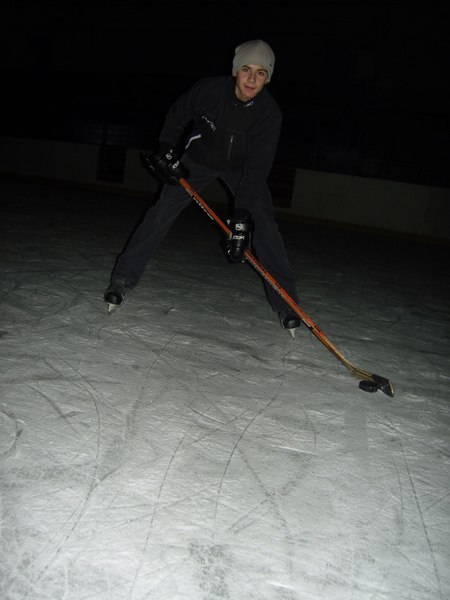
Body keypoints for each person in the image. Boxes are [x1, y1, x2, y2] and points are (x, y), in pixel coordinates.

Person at [104, 39, 300, 332]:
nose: (251, 78)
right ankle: (122, 278)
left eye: (260, 72)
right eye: (246, 69)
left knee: (265, 227)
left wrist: (241, 219)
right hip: (199, 159)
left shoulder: (269, 115)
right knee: (161, 212)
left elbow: (258, 169)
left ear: (268, 78)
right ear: (235, 70)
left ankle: (285, 302)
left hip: (243, 170)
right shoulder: (209, 90)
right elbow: (178, 114)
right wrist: (166, 149)